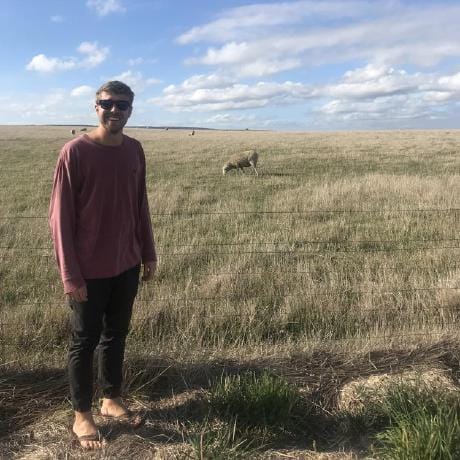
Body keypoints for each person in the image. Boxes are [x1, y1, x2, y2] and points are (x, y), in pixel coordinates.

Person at [49, 81, 157, 449]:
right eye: (107, 103)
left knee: (117, 333)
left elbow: (139, 203)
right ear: (96, 107)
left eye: (122, 105)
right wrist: (70, 274)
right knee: (84, 340)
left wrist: (148, 252)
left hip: (126, 262)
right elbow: (59, 218)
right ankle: (81, 414)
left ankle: (110, 399)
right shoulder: (75, 151)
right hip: (88, 269)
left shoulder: (134, 150)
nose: (115, 110)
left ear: (130, 110)